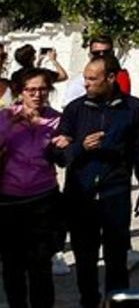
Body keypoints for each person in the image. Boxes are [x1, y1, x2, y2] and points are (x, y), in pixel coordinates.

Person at [53, 53, 139, 307]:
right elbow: (59, 155)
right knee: (85, 260)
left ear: (110, 78)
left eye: (92, 79)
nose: (86, 84)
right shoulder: (75, 109)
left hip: (114, 193)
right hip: (80, 195)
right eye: (85, 79)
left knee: (116, 259)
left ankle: (116, 302)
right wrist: (80, 147)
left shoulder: (132, 107)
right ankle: (89, 302)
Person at [0, 67, 64, 307]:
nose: (37, 94)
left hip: (43, 199)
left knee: (40, 264)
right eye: (31, 90)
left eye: (42, 89)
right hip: (9, 200)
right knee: (12, 263)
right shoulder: (5, 118)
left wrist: (65, 144)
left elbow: (64, 155)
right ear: (20, 92)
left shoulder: (57, 119)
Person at [62, 34, 133, 103]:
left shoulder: (121, 77)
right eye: (96, 53)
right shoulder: (78, 84)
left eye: (106, 52)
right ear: (90, 55)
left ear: (112, 53)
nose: (101, 56)